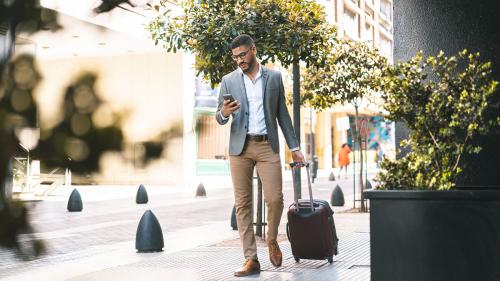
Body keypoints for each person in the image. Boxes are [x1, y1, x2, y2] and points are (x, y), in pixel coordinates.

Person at [216, 34, 305, 277]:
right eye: (235, 57)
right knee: (242, 204)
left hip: (267, 146)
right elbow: (219, 116)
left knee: (275, 199)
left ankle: (273, 240)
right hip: (240, 148)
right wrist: (224, 112)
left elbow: (283, 115)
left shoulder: (274, 77)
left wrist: (294, 147)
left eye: (243, 55)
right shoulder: (228, 81)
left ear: (254, 50)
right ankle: (251, 259)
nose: (239, 60)